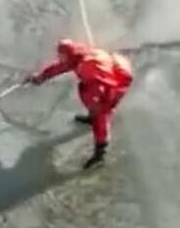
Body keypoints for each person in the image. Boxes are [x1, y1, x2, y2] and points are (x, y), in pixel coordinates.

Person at [27, 39, 133, 169]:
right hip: (105, 76)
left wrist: (98, 107)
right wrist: (41, 77)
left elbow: (104, 86)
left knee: (100, 116)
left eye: (62, 55)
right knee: (89, 96)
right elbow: (61, 66)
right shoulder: (78, 57)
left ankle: (100, 154)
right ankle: (93, 117)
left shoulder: (88, 67)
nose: (60, 58)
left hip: (113, 85)